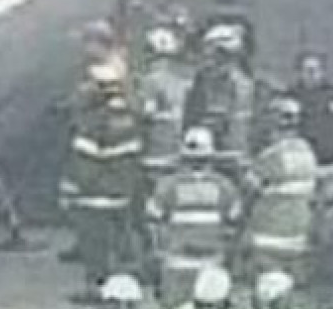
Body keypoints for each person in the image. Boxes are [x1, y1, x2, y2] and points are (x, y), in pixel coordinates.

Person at [59, 65, 144, 297]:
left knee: (95, 248)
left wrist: (72, 191)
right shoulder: (126, 119)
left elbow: (84, 166)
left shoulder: (92, 123)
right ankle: (122, 288)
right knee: (119, 246)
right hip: (120, 195)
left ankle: (98, 291)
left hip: (94, 198)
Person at [145, 129, 242, 306]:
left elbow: (154, 225)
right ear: (211, 157)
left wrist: (158, 260)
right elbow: (233, 226)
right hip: (211, 262)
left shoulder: (167, 186)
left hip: (176, 262)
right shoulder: (225, 186)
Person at [242, 96, 319, 283]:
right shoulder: (307, 151)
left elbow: (248, 190)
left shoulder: (271, 156)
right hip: (299, 233)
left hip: (269, 236)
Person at [287, 51, 333, 204]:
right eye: (307, 70)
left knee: (332, 211)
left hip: (331, 164)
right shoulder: (292, 98)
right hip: (303, 168)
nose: (312, 75)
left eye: (316, 70)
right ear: (299, 73)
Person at [183, 23, 257, 155]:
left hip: (231, 152)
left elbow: (239, 123)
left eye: (216, 56)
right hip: (201, 149)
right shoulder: (201, 81)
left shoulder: (241, 84)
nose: (209, 61)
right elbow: (192, 115)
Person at [136, 25, 193, 179]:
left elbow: (148, 112)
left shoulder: (150, 81)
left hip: (156, 150)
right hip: (178, 149)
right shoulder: (182, 79)